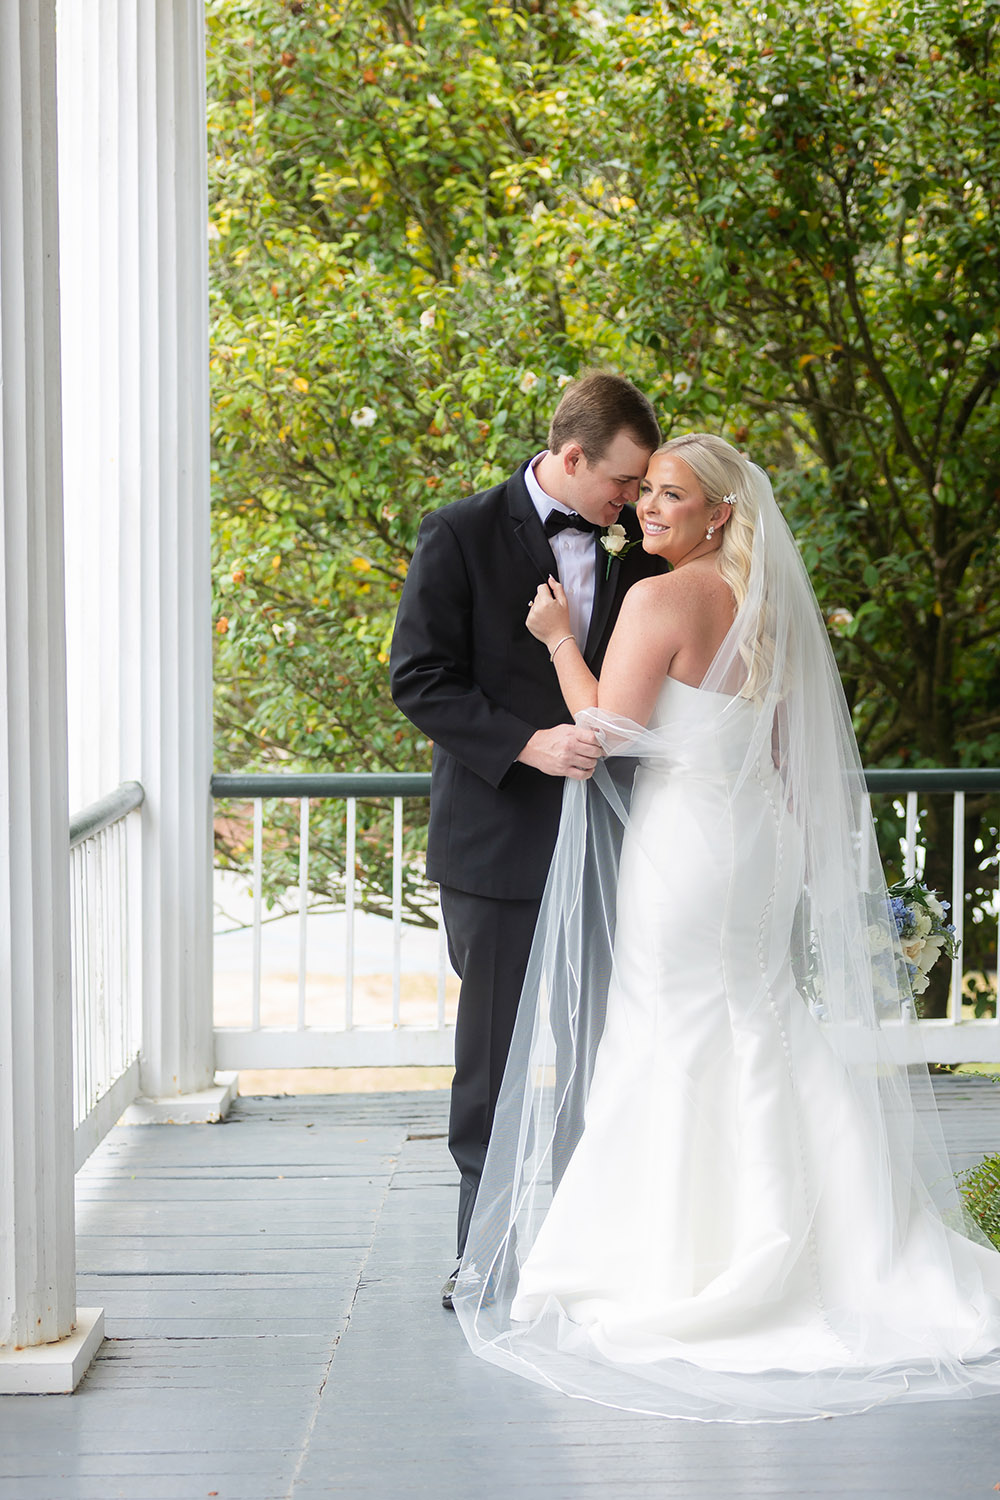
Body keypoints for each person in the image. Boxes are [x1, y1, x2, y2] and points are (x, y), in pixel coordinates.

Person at [452, 433, 1000, 1421]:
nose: (646, 510)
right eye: (645, 492)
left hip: (687, 846)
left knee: (670, 1028)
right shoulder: (771, 611)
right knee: (763, 1017)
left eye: (668, 496)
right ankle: (825, 1240)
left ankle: (687, 1254)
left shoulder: (658, 601)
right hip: (759, 842)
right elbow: (791, 753)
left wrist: (556, 642)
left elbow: (606, 734)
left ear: (716, 514)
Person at [389, 372, 666, 1308]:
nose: (631, 501)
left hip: (621, 845)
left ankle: (595, 1255)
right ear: (573, 455)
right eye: (622, 483)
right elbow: (418, 678)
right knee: (495, 1056)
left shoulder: (643, 556)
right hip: (497, 845)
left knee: (607, 1048)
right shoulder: (458, 532)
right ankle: (482, 1257)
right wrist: (526, 743)